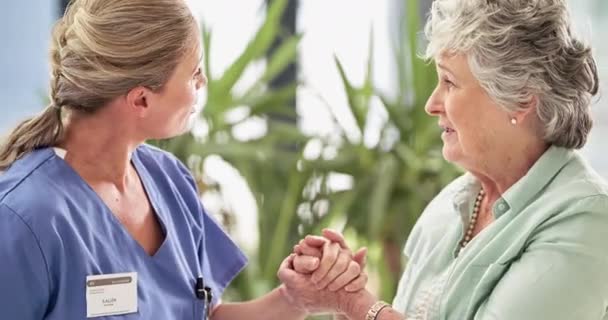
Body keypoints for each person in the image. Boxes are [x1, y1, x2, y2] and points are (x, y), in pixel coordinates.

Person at [0, 0, 367, 319]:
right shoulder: (24, 217)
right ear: (141, 99)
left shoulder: (169, 179)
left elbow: (206, 314)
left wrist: (295, 299)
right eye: (193, 73)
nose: (203, 83)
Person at [278, 0, 608, 319]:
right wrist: (340, 289)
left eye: (449, 82)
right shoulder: (453, 202)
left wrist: (355, 304)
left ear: (520, 99)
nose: (432, 103)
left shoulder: (588, 218)